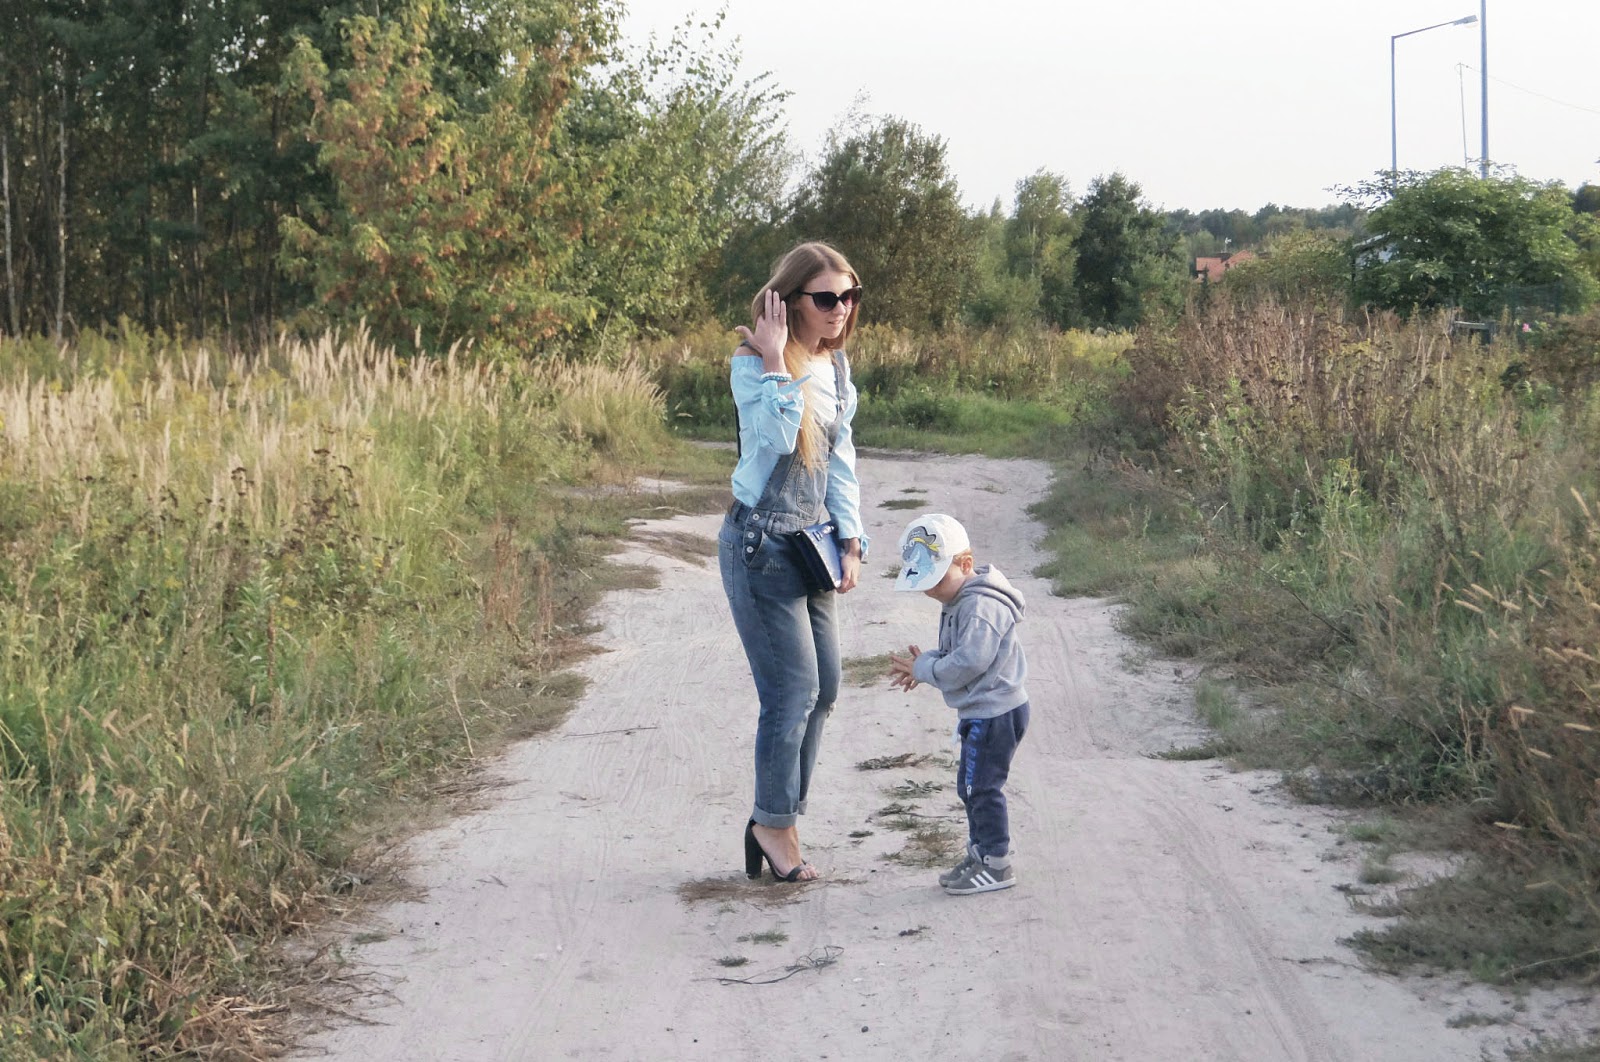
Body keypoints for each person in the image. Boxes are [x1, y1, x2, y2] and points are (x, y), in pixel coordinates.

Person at [720, 241, 868, 883]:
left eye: (850, 296)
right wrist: (779, 361)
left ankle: (777, 814)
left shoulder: (836, 370)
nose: (841, 309)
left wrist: (852, 540)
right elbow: (779, 439)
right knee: (792, 692)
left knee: (826, 689)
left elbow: (839, 460)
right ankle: (775, 825)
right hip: (760, 545)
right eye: (827, 298)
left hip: (812, 544)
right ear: (789, 301)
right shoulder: (752, 366)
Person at [888, 513, 1030, 895]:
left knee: (981, 787)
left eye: (936, 579)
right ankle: (979, 854)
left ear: (965, 564)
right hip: (985, 710)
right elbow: (958, 652)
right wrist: (925, 665)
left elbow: (970, 661)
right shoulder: (961, 599)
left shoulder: (979, 606)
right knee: (971, 786)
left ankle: (997, 863)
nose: (930, 590)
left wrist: (929, 669)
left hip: (993, 712)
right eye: (924, 583)